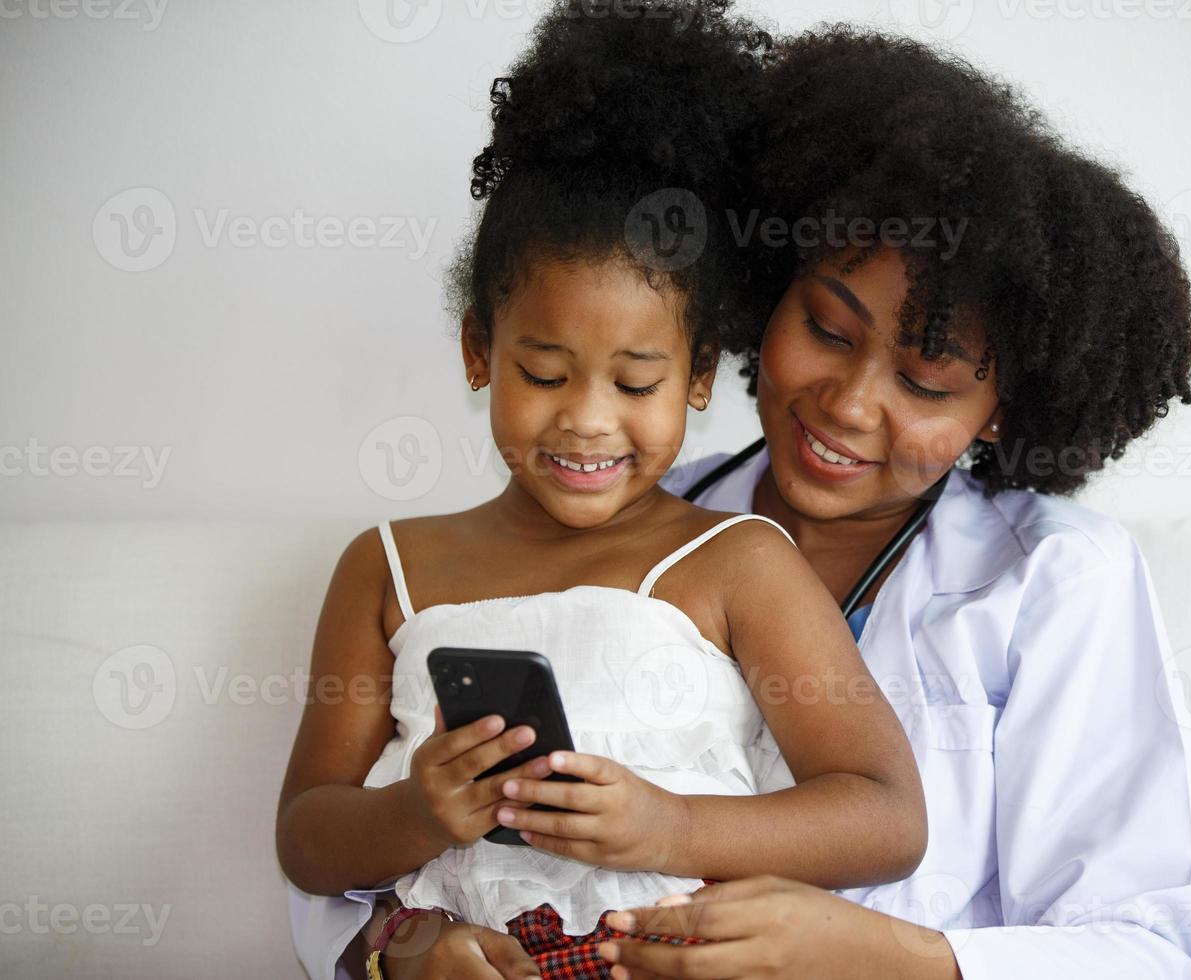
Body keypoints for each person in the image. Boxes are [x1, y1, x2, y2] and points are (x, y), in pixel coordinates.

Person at [275, 5, 929, 979]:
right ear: (476, 350)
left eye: (634, 382)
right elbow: (307, 833)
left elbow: (885, 812)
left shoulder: (739, 560)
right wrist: (410, 814)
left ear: (700, 376)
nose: (586, 419)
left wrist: (670, 823)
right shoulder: (388, 566)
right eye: (543, 373)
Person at [588, 26, 1191, 980]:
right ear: (767, 291)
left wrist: (885, 956)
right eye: (826, 328)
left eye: (926, 384)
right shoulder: (632, 515)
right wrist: (402, 947)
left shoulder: (1051, 580)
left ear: (1002, 413)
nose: (848, 404)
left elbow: (1157, 953)